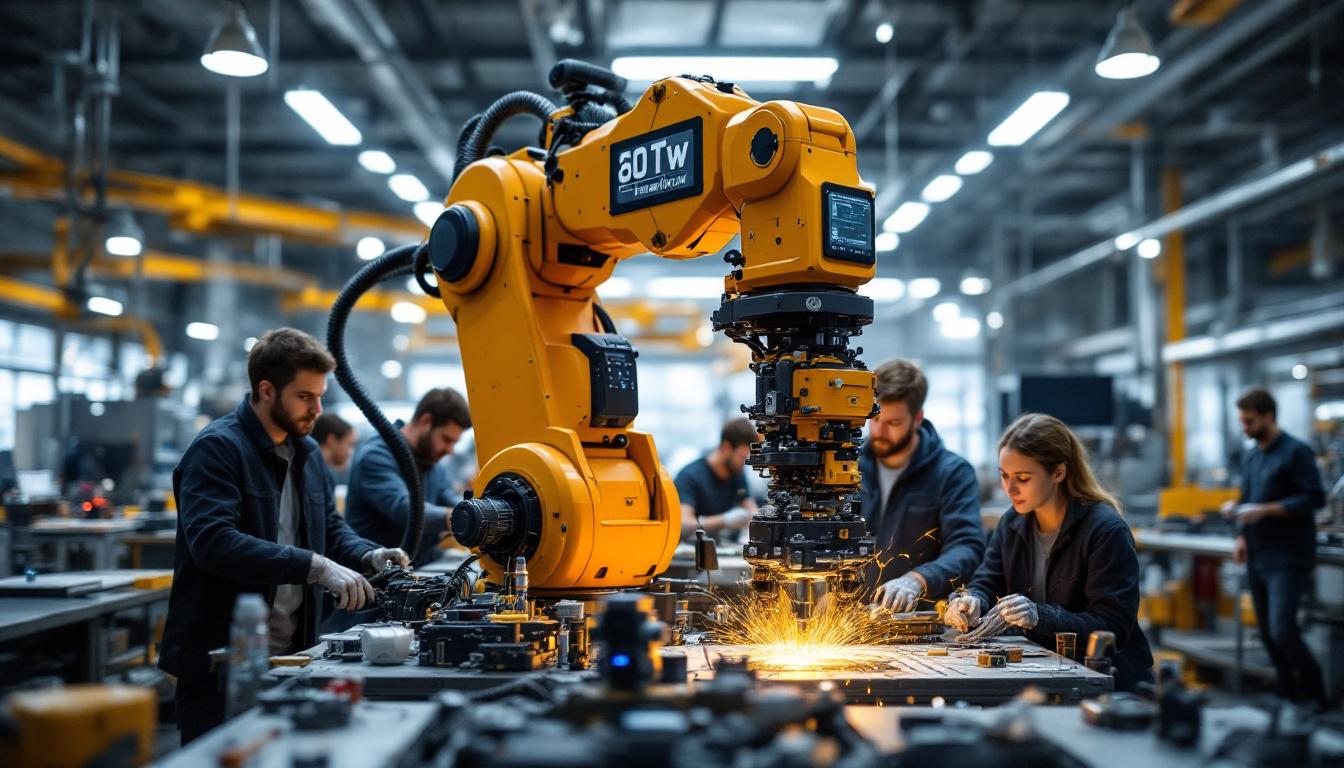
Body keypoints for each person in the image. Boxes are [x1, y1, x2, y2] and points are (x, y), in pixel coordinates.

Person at [159, 328, 408, 743]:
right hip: (221, 663)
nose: (317, 408)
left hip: (292, 656)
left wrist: (369, 555)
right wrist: (314, 566)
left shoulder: (307, 453)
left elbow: (329, 528)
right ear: (267, 390)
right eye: (305, 397)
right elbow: (213, 542)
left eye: (320, 396)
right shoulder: (217, 450)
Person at [945, 413, 1154, 692]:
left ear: (1058, 472)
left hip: (1106, 681)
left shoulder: (1105, 530)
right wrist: (970, 600)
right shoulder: (1013, 523)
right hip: (1043, 670)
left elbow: (1112, 626)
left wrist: (1039, 616)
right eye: (1005, 476)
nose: (1010, 489)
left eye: (1023, 478)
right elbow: (987, 580)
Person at [1220, 388, 1326, 706]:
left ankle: (1314, 695)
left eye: (1249, 421)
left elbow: (1314, 498)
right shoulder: (1254, 456)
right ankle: (1287, 696)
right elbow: (1246, 501)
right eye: (1242, 421)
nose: (1245, 427)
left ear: (1268, 416)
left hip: (1287, 556)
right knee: (1267, 633)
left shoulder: (1296, 452)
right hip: (1258, 555)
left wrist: (1266, 510)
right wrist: (1240, 531)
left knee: (1283, 631)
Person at [860, 360, 984, 612]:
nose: (880, 431)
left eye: (893, 423)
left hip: (917, 621)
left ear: (917, 419)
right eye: (874, 420)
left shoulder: (952, 473)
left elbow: (967, 547)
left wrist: (916, 580)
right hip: (848, 619)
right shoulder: (846, 467)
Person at [345, 388, 472, 567]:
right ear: (426, 421)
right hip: (374, 577)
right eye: (446, 439)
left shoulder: (432, 463)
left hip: (416, 567)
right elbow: (405, 509)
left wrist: (476, 510)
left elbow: (449, 500)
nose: (450, 450)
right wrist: (462, 518)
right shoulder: (375, 456)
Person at [674, 418, 759, 540]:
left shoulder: (736, 472)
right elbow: (684, 523)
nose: (744, 463)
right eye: (742, 456)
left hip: (721, 546)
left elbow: (750, 508)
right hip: (692, 550)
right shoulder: (690, 477)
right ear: (726, 448)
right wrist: (724, 520)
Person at [312, 412, 357, 485]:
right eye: (349, 445)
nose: (350, 453)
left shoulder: (319, 472)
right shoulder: (310, 474)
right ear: (332, 440)